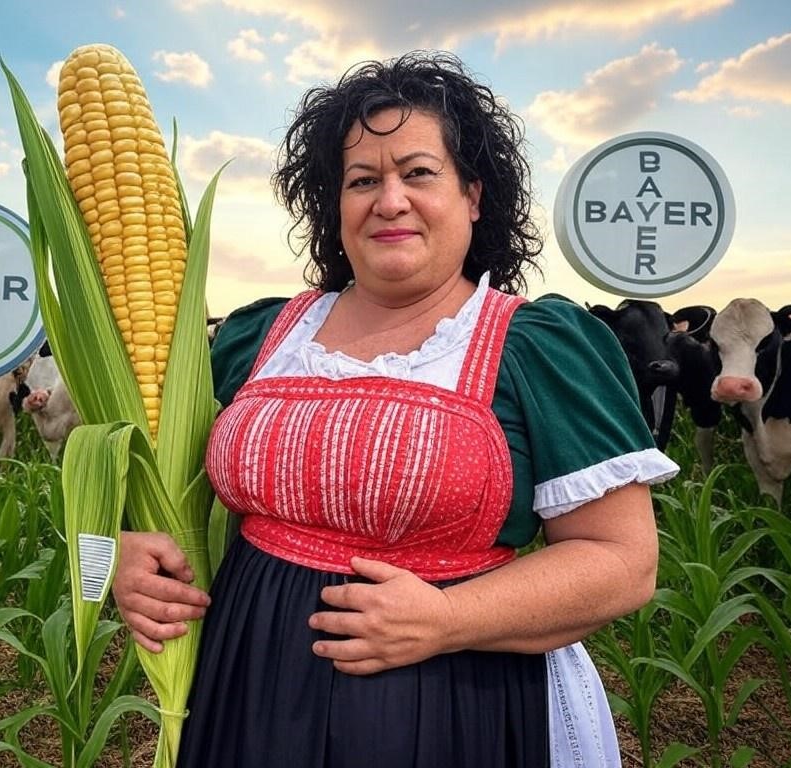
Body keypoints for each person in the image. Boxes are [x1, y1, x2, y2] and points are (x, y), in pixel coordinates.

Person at [113, 50, 679, 768]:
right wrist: (121, 559)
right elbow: (147, 488)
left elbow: (623, 564)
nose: (389, 200)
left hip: (449, 705)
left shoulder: (535, 347)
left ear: (474, 195)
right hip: (244, 686)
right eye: (362, 180)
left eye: (418, 173)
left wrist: (447, 618)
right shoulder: (259, 338)